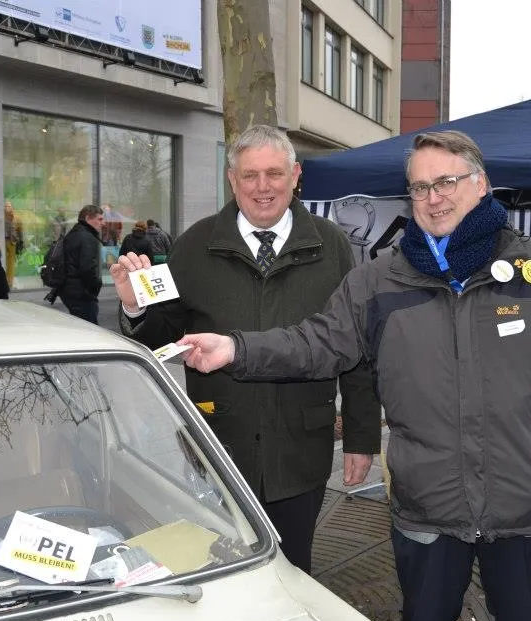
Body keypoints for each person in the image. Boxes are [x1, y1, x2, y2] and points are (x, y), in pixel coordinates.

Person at [177, 130, 531, 621]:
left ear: (481, 185)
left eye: (446, 182)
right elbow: (317, 342)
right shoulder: (381, 280)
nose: (433, 198)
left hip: (526, 507)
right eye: (420, 187)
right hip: (428, 508)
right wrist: (235, 349)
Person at [110, 124, 381, 574]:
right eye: (249, 175)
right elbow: (163, 337)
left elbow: (355, 347)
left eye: (273, 173)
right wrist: (135, 308)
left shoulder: (332, 246)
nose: (262, 187)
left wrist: (360, 438)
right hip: (217, 449)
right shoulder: (194, 245)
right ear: (231, 179)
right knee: (222, 573)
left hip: (302, 450)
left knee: (293, 572)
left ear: (295, 176)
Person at [58, 204, 104, 324]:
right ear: (88, 218)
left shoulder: (73, 233)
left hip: (68, 289)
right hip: (81, 292)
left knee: (80, 326)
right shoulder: (88, 238)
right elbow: (87, 268)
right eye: (99, 219)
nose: (102, 223)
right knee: (91, 329)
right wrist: (96, 285)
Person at [3, 200, 24, 287]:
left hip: (12, 242)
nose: (7, 208)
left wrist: (21, 241)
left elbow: (20, 230)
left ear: (12, 208)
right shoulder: (1, 217)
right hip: (3, 241)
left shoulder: (16, 218)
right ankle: (4, 280)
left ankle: (10, 281)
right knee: (3, 261)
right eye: (6, 206)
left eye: (9, 206)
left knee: (11, 263)